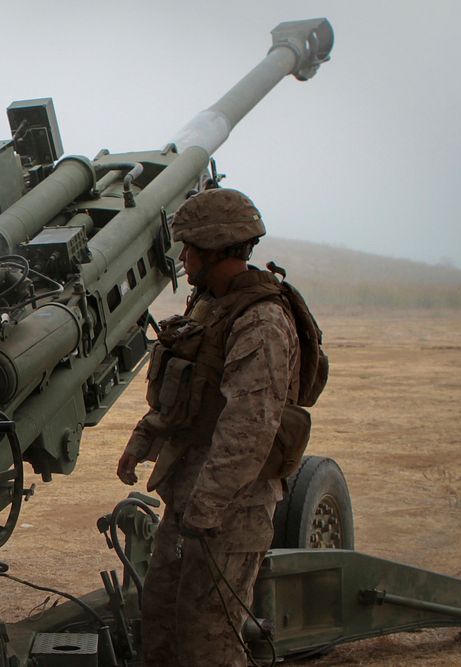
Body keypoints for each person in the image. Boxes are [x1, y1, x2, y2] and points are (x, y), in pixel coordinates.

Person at [117, 188, 301, 667]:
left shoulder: (260, 320)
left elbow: (249, 429)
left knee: (208, 643)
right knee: (160, 626)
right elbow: (184, 393)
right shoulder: (210, 306)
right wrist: (141, 443)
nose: (182, 259)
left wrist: (208, 506)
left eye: (189, 249)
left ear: (217, 248)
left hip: (232, 511)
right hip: (191, 497)